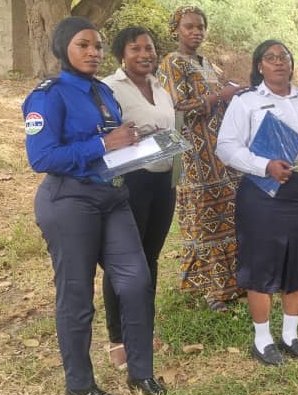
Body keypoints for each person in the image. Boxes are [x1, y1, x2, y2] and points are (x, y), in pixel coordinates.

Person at [23, 17, 165, 395]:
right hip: (70, 201)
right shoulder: (48, 95)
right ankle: (80, 386)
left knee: (136, 282)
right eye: (83, 45)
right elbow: (42, 157)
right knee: (76, 295)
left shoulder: (102, 91)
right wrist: (104, 145)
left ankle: (141, 373)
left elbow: (112, 140)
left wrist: (133, 141)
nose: (93, 52)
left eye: (98, 46)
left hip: (113, 197)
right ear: (63, 48)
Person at [217, 40, 298, 365]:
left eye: (284, 56)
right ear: (260, 66)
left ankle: (290, 335)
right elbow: (226, 147)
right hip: (263, 191)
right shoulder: (247, 101)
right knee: (262, 264)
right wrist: (264, 165)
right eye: (270, 58)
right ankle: (262, 340)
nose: (279, 62)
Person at [158, 6, 245, 311]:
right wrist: (220, 96)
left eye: (200, 27)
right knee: (205, 218)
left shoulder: (206, 63)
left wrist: (232, 91)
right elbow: (177, 108)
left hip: (221, 153)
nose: (196, 32)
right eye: (189, 27)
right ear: (176, 30)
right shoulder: (171, 63)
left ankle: (233, 283)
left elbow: (220, 96)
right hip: (195, 156)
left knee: (229, 215)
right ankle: (212, 290)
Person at [100, 26, 175, 371]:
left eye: (149, 48)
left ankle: (142, 331)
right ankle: (118, 339)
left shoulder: (160, 87)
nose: (145, 54)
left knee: (150, 259)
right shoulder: (109, 89)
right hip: (132, 182)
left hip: (163, 182)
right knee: (124, 263)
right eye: (136, 49)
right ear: (121, 55)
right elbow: (105, 135)